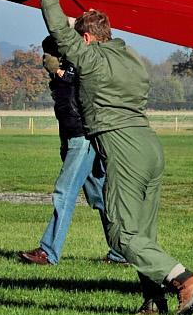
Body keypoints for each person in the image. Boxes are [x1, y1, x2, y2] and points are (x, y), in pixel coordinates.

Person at [36, 0, 193, 315]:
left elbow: (59, 32)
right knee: (142, 234)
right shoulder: (133, 60)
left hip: (123, 148)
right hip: (150, 146)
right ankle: (154, 302)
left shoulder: (91, 58)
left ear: (86, 39)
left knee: (121, 235)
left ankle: (183, 279)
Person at [18, 37, 122, 266]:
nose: (46, 61)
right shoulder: (60, 77)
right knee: (101, 198)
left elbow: (84, 85)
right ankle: (121, 251)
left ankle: (48, 251)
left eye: (50, 56)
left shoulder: (77, 70)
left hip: (81, 137)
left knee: (64, 192)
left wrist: (65, 76)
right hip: (73, 136)